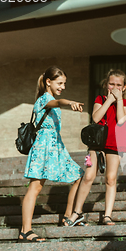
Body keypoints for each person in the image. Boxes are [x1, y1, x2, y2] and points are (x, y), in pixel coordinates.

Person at [20, 66, 84, 241]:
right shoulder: (43, 100)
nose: (63, 86)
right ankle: (25, 231)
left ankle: (68, 217)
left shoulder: (50, 98)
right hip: (43, 148)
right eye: (60, 83)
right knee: (35, 187)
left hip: (57, 148)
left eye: (64, 84)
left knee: (79, 175)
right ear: (48, 82)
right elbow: (56, 102)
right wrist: (69, 102)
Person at [63, 69, 126, 226]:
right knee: (88, 176)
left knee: (111, 178)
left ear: (124, 87)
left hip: (116, 143)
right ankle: (77, 213)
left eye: (119, 85)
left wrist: (119, 100)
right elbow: (95, 117)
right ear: (106, 85)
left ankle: (107, 215)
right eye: (111, 84)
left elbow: (121, 120)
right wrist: (108, 100)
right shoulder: (100, 99)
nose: (115, 88)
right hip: (96, 143)